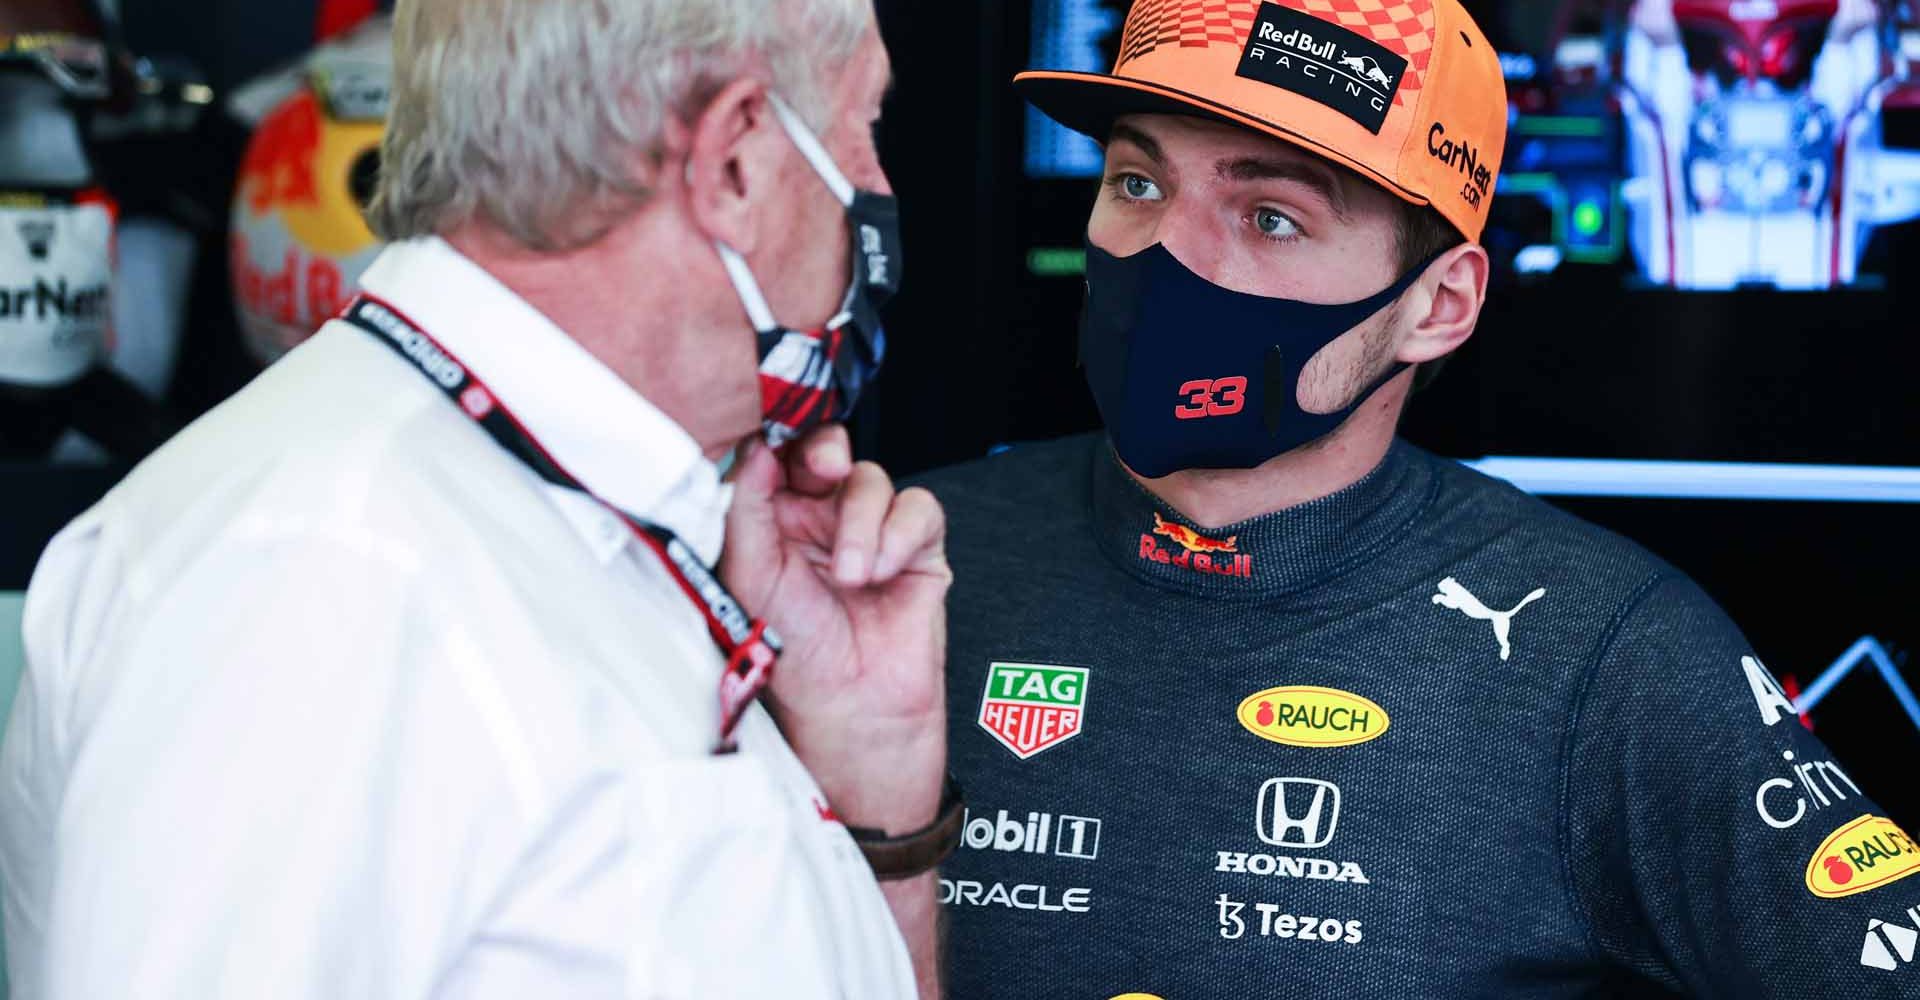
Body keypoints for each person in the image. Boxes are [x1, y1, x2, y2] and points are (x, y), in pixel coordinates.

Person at [914, 0, 1918, 996]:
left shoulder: (1607, 652)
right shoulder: (906, 565)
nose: (1166, 253)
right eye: (1137, 181)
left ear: (1438, 305)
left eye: (1270, 216)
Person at [0, 0, 957, 996]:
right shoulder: (323, 571)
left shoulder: (564, 506)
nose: (875, 185)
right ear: (736, 160)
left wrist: (871, 804)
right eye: (866, 127)